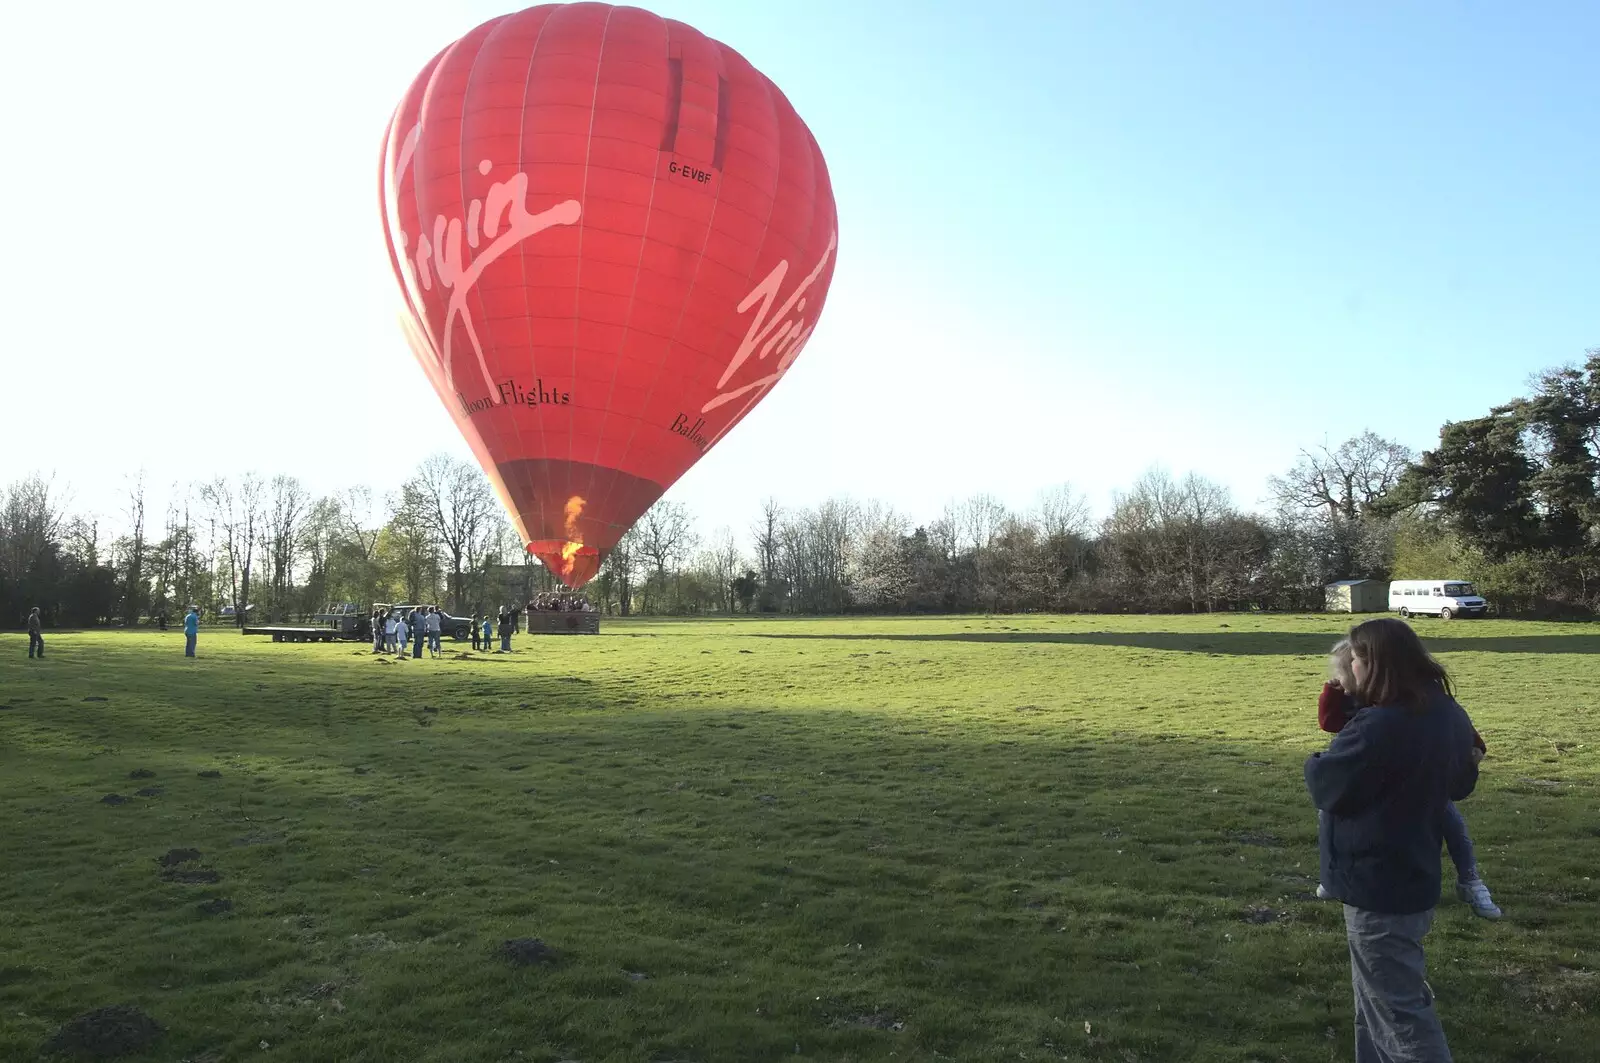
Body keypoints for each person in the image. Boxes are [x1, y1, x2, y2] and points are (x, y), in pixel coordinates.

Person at [1306, 618, 1479, 1062]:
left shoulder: (1378, 726)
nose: (1354, 669)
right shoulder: (1446, 712)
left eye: (1358, 660)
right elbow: (1461, 782)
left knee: (1399, 1013)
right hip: (1414, 874)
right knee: (1374, 1004)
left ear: (1376, 664)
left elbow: (1328, 786)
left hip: (1376, 882)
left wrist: (1317, 760)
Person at [1316, 638, 1500, 919]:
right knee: (1331, 813)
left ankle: (1470, 879)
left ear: (1366, 670)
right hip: (1377, 786)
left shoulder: (1412, 704)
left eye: (1346, 670)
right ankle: (1334, 876)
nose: (1341, 677)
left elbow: (1457, 730)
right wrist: (1333, 688)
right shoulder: (1357, 704)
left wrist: (1475, 749)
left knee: (1452, 824)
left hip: (1419, 784)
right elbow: (1329, 722)